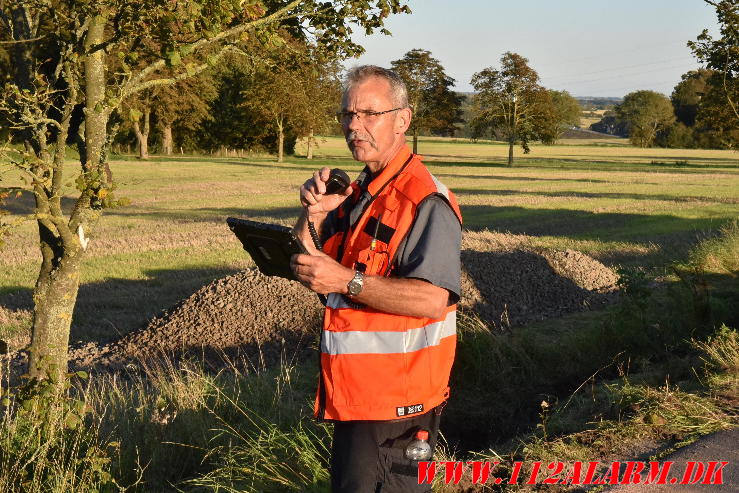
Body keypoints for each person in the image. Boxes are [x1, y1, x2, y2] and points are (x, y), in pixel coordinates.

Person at [291, 65, 462, 493]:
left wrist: (346, 281)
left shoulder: (425, 200)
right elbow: (311, 259)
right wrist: (310, 213)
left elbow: (431, 300)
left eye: (370, 114)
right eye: (348, 114)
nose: (354, 125)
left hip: (399, 405)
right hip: (358, 395)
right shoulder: (364, 193)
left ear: (402, 120)